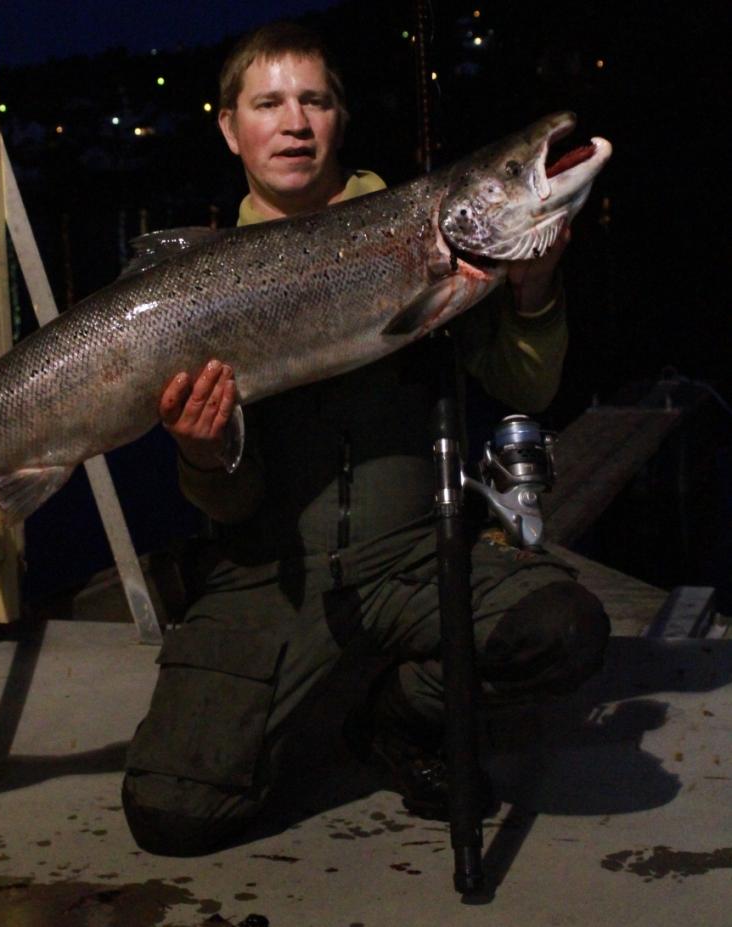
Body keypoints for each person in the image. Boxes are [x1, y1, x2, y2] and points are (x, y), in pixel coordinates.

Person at [122, 21, 609, 856]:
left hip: (416, 556)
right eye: (268, 103)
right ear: (230, 128)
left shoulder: (429, 235)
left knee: (563, 627)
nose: (295, 122)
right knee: (172, 814)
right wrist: (203, 450)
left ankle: (398, 715)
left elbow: (527, 386)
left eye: (315, 100)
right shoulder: (194, 278)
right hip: (269, 573)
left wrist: (534, 289)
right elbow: (230, 501)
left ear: (340, 120)